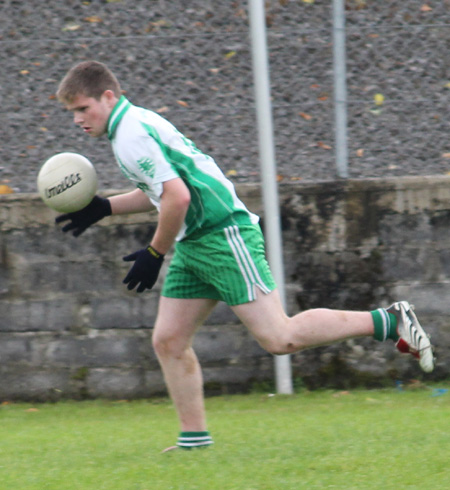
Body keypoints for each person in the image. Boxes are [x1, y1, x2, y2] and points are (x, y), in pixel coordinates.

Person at [55, 60, 435, 451]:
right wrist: (105, 208)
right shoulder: (132, 125)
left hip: (222, 234)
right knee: (169, 340)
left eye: (83, 108)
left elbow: (178, 197)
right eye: (72, 112)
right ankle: (195, 441)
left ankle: (389, 320)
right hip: (195, 242)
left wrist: (155, 252)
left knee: (279, 337)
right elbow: (163, 191)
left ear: (108, 96)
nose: (78, 120)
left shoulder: (131, 133)